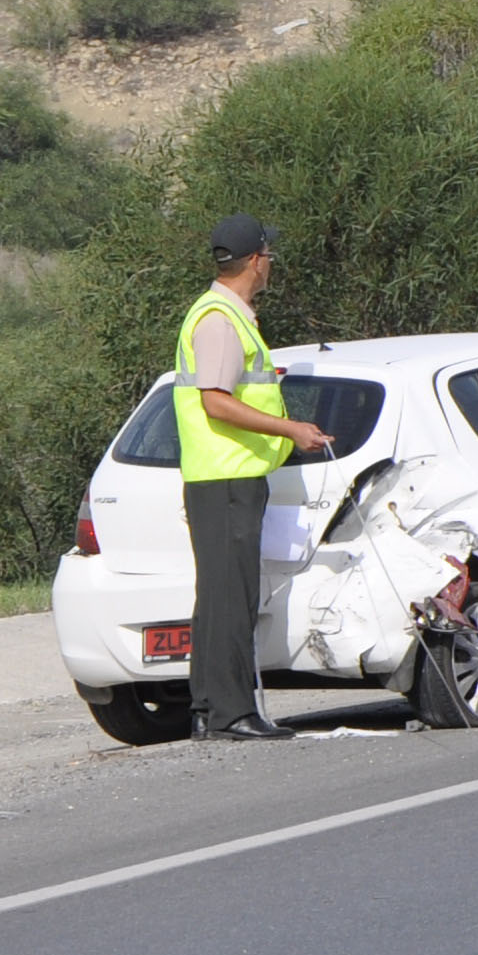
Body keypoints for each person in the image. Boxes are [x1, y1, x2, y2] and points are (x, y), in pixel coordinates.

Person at [172, 215, 332, 742]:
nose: (271, 267)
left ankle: (207, 710)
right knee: (230, 597)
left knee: (220, 595)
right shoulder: (219, 319)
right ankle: (232, 713)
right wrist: (291, 428)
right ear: (257, 260)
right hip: (226, 479)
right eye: (270, 257)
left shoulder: (223, 314)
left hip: (224, 478)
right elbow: (216, 402)